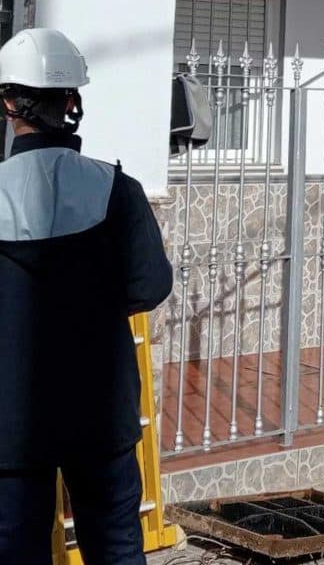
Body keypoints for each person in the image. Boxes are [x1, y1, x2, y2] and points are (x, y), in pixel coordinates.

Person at [0, 29, 172, 564]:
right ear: (72, 102)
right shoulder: (118, 190)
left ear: (8, 104)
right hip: (100, 412)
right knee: (116, 548)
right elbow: (150, 287)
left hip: (10, 422)